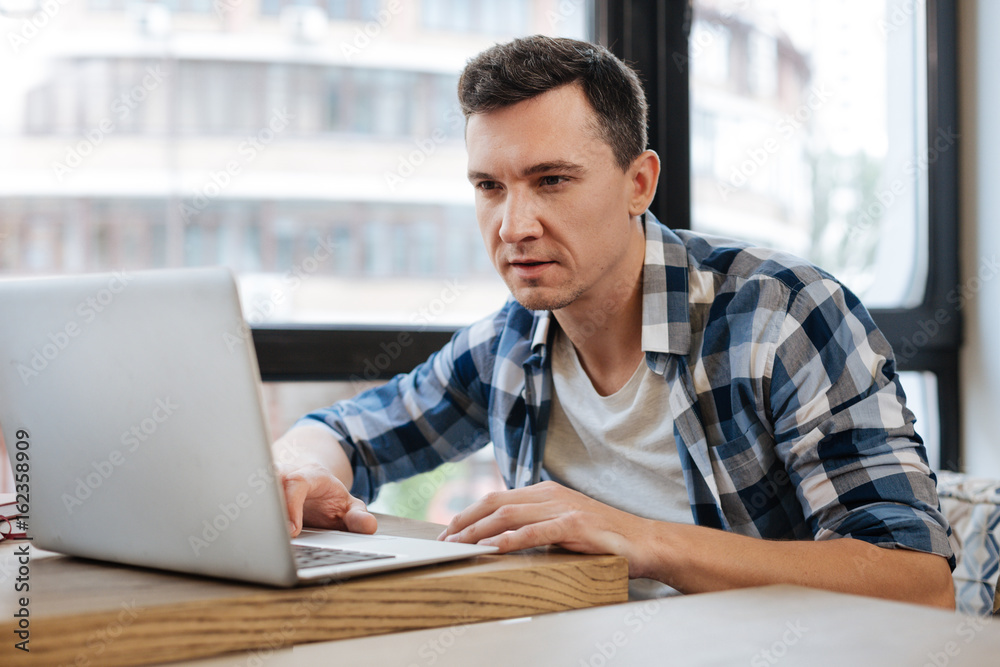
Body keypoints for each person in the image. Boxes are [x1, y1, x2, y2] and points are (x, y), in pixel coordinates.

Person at [273, 35, 956, 607]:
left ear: (640, 183)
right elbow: (351, 433)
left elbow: (918, 583)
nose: (513, 226)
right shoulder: (511, 344)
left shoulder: (783, 317)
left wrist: (642, 539)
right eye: (489, 187)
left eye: (552, 180)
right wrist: (296, 471)